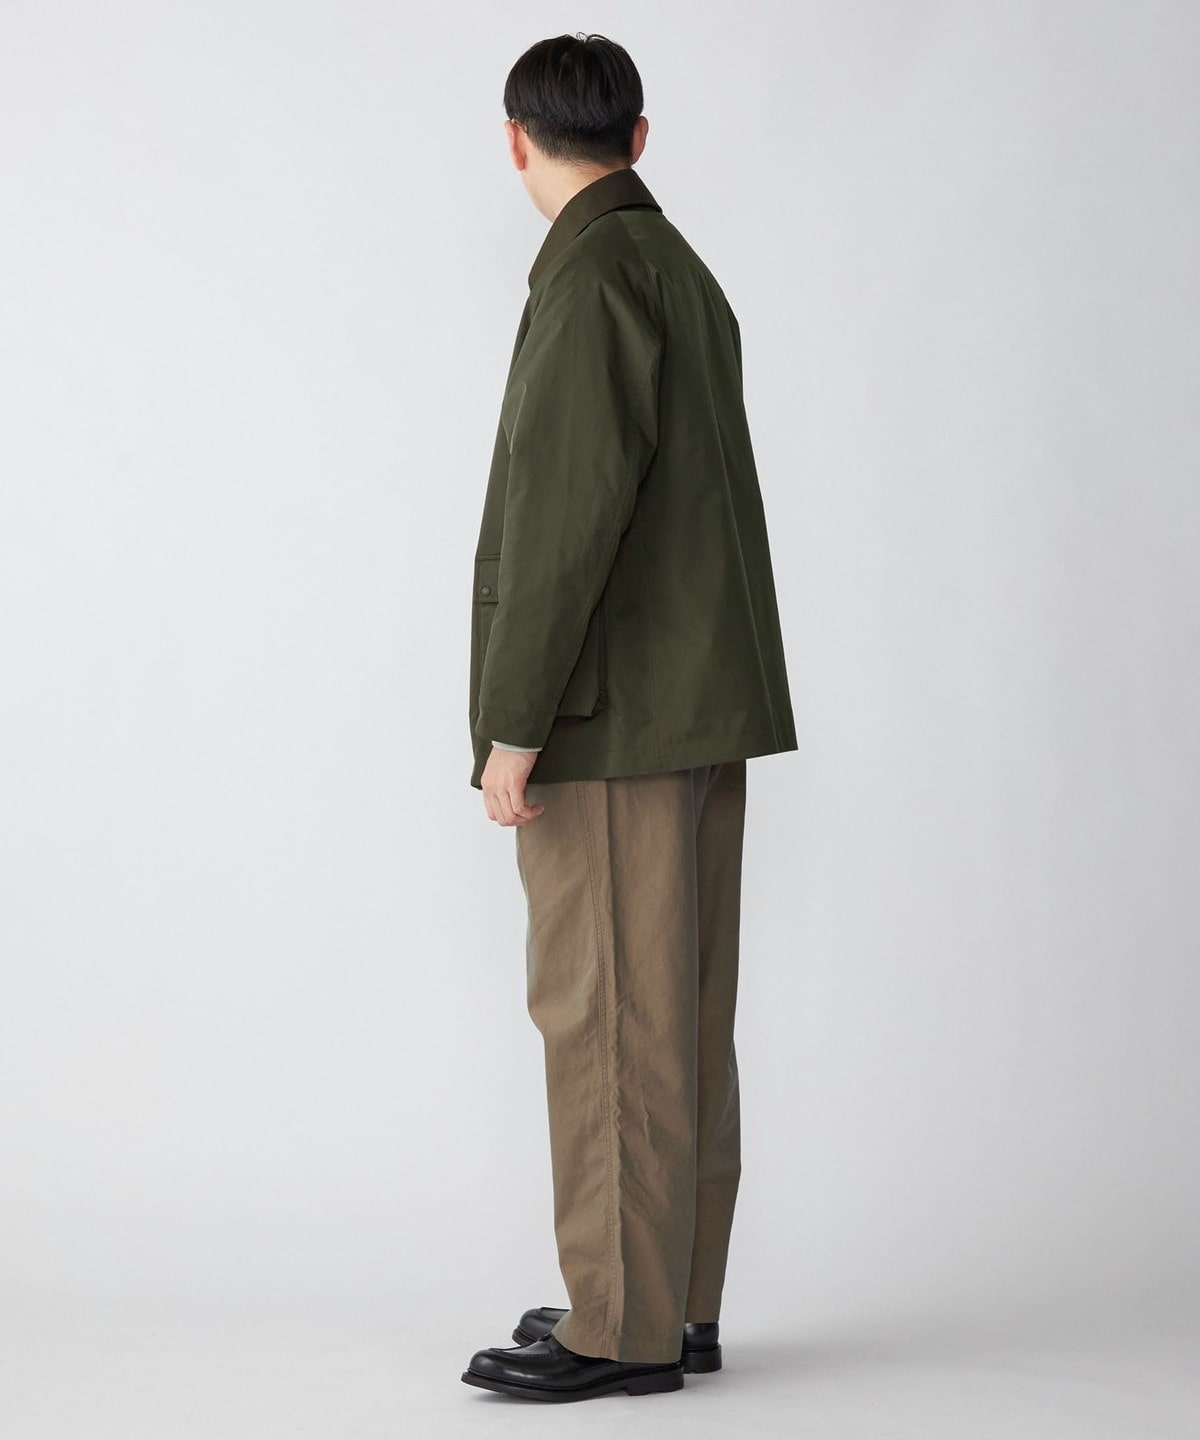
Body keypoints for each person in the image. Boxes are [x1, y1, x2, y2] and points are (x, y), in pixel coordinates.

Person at [461, 32, 798, 1403]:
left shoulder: (593, 274)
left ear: (516, 140)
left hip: (612, 723)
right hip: (694, 711)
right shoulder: (675, 267)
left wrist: (514, 725)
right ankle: (673, 1301)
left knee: (606, 1014)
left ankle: (619, 1325)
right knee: (682, 1018)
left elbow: (563, 523)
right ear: (639, 138)